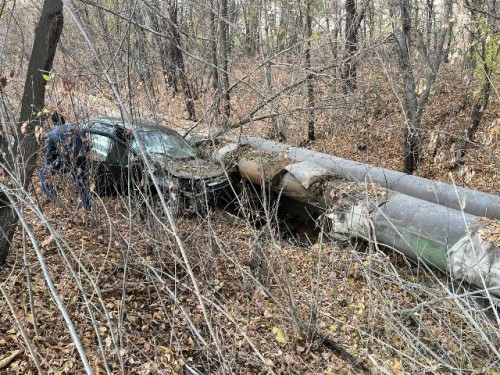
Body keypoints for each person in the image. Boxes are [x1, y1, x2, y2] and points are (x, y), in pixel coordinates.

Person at [39, 112, 91, 210]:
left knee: (42, 172)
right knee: (82, 183)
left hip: (64, 161)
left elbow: (49, 155)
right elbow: (87, 147)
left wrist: (49, 166)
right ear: (63, 120)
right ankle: (87, 207)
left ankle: (52, 197)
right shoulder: (78, 129)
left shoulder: (52, 134)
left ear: (53, 123)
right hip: (80, 160)